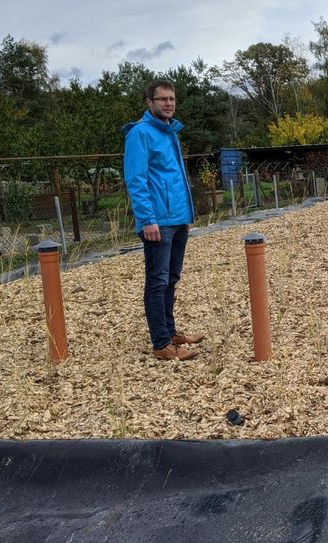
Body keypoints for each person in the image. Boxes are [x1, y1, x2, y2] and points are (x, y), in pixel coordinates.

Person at [123, 80, 204, 360]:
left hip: (177, 219)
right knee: (157, 281)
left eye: (172, 98)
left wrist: (186, 216)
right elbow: (137, 179)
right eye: (163, 99)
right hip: (157, 221)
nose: (168, 103)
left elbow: (175, 178)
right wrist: (147, 219)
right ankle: (161, 345)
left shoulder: (170, 132)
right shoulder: (140, 134)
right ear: (150, 102)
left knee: (171, 278)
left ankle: (170, 332)